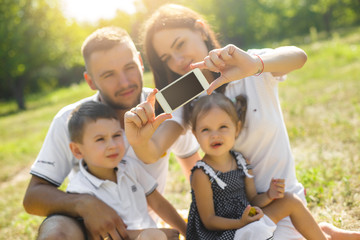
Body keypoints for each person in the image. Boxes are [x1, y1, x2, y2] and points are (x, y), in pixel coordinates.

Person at [136, 4, 360, 240]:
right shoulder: (189, 99)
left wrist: (255, 65)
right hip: (238, 215)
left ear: (201, 30)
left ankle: (318, 232)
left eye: (180, 44)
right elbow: (152, 151)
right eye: (166, 58)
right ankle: (321, 232)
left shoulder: (250, 64)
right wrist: (137, 137)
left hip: (283, 199)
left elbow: (299, 56)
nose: (178, 60)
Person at [22, 26, 200, 240]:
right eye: (108, 75)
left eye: (130, 67)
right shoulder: (70, 119)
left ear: (141, 63)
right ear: (90, 81)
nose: (125, 82)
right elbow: (33, 197)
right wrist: (85, 204)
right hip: (85, 225)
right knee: (56, 233)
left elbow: (195, 171)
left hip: (142, 226)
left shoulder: (167, 106)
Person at [185, 92, 329, 240]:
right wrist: (239, 223)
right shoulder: (202, 174)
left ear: (237, 128)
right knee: (257, 232)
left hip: (248, 222)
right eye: (206, 130)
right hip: (222, 234)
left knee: (290, 200)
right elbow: (209, 221)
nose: (215, 135)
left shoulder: (242, 162)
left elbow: (252, 199)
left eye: (223, 127)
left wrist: (268, 195)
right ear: (195, 134)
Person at [66, 101, 186, 240]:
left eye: (116, 135)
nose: (112, 145)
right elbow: (96, 235)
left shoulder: (130, 167)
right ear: (77, 150)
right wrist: (155, 234)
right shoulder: (79, 190)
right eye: (100, 139)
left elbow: (159, 204)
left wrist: (188, 232)